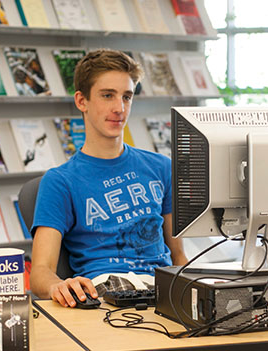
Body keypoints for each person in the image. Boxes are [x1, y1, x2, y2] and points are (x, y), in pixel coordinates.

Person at [30, 49, 188, 307]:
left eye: (127, 97)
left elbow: (178, 255)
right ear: (82, 101)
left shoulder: (162, 168)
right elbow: (40, 272)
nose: (119, 108)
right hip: (104, 291)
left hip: (162, 288)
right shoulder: (60, 181)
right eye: (107, 96)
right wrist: (58, 285)